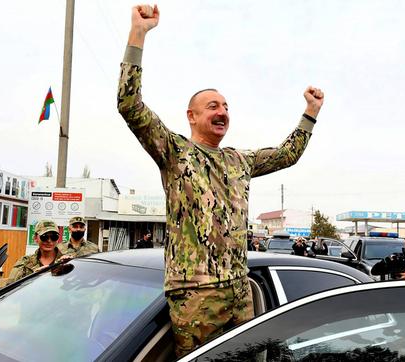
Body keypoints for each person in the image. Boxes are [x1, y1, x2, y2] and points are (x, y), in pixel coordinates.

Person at [117, 4, 323, 357]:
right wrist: (139, 34)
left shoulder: (237, 160)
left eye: (226, 106)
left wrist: (310, 114)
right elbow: (129, 104)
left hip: (239, 289)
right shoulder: (175, 152)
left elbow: (287, 155)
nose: (222, 111)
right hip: (195, 293)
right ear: (192, 116)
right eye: (212, 106)